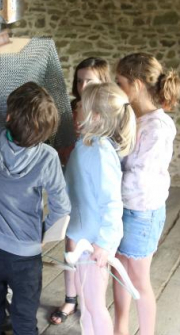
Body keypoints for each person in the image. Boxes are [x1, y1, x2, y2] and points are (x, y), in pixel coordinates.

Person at [0, 40, 71, 335]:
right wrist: (42, 233)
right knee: (25, 320)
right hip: (26, 255)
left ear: (9, 117)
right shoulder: (47, 157)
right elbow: (61, 207)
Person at [113, 53, 180, 335]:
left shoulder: (158, 126)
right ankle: (120, 329)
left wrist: (108, 178)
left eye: (120, 82)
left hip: (141, 212)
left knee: (138, 280)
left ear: (137, 84)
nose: (117, 89)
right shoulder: (136, 117)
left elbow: (139, 176)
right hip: (122, 207)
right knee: (119, 271)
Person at [65, 82, 136, 335]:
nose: (77, 108)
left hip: (96, 243)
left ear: (94, 116)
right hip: (84, 236)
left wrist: (105, 243)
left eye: (81, 105)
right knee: (85, 301)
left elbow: (112, 202)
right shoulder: (86, 144)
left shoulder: (101, 152)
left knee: (95, 304)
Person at [51, 56, 111, 325]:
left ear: (103, 83)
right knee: (70, 244)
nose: (83, 84)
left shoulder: (108, 112)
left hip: (94, 192)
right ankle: (70, 298)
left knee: (91, 253)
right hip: (71, 185)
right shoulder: (73, 109)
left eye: (90, 80)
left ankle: (90, 303)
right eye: (80, 79)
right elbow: (65, 144)